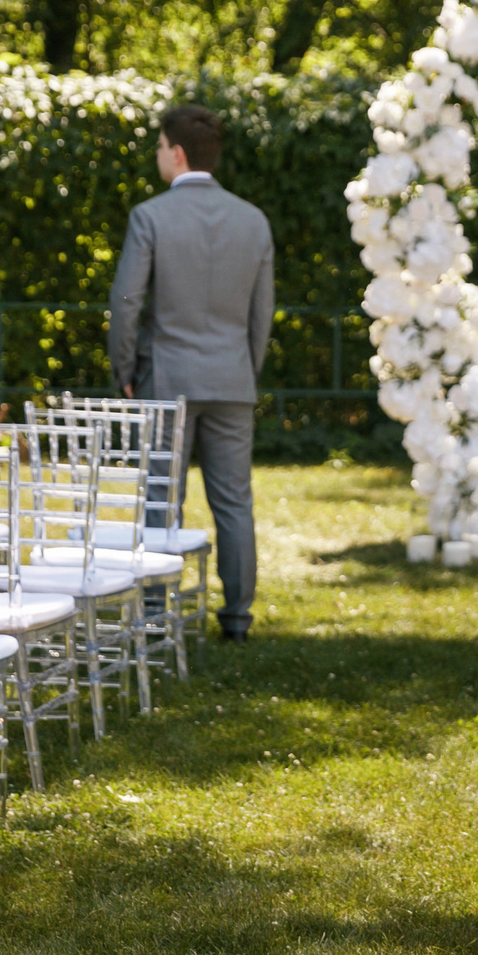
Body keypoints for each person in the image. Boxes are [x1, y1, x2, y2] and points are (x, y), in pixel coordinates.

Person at [107, 104, 274, 641]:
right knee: (234, 500)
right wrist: (246, 370)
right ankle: (238, 617)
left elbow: (128, 300)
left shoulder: (150, 216)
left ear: (176, 154)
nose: (157, 155)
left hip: (168, 381)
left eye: (158, 147)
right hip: (232, 378)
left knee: (161, 497)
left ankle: (156, 612)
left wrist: (125, 368)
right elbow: (261, 314)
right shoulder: (253, 220)